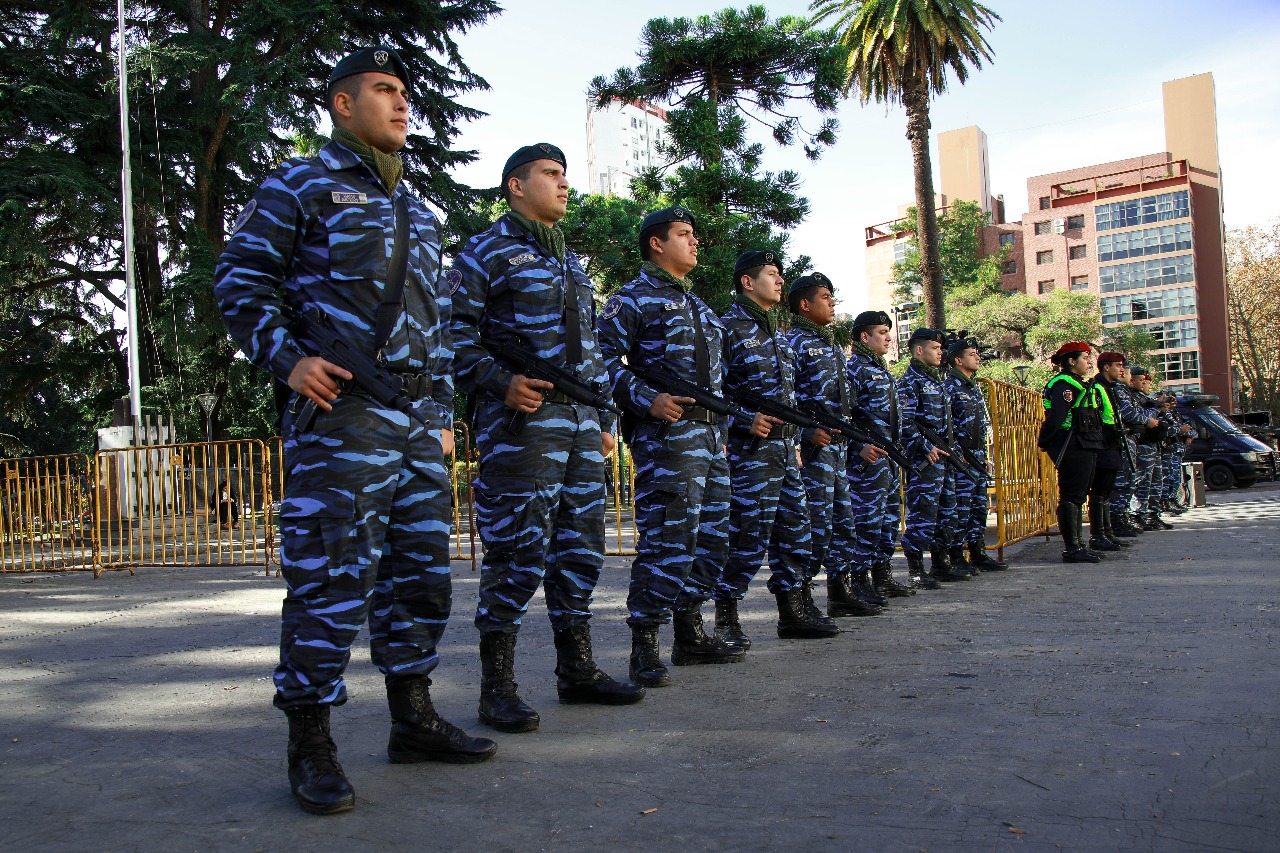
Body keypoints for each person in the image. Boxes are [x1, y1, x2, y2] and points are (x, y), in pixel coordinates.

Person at [213, 47, 495, 816]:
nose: (402, 104)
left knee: (421, 579)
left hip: (414, 425)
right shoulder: (300, 182)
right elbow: (240, 281)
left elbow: (437, 329)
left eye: (406, 92)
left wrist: (440, 414)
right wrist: (289, 360)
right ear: (343, 104)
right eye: (384, 91)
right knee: (332, 577)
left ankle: (413, 719)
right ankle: (311, 742)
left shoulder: (420, 208)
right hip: (340, 419)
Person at [449, 143, 644, 734]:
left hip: (582, 427)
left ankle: (576, 669)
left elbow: (594, 354)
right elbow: (450, 335)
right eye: (550, 175)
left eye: (565, 175)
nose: (564, 185)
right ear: (515, 185)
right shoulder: (483, 252)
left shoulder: (571, 262)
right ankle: (497, 686)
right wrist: (500, 382)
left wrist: (606, 419)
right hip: (522, 428)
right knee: (516, 553)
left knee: (581, 550)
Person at [595, 206, 743, 688]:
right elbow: (598, 363)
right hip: (668, 440)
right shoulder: (632, 300)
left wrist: (721, 438)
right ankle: (644, 644)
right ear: (656, 244)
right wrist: (645, 398)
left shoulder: (701, 308)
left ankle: (690, 633)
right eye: (684, 234)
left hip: (709, 440)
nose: (695, 241)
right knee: (668, 540)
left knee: (714, 540)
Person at [715, 250, 837, 644]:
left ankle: (793, 610)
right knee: (747, 538)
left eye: (781, 274)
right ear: (747, 282)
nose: (781, 280)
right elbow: (711, 394)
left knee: (796, 536)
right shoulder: (727, 328)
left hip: (785, 454)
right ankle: (726, 615)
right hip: (750, 455)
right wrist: (741, 421)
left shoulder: (778, 334)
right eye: (772, 274)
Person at [785, 274, 883, 618]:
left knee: (844, 523)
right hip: (814, 452)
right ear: (804, 304)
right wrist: (804, 434)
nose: (832, 303)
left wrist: (855, 444)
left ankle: (840, 591)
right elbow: (783, 400)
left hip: (838, 449)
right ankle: (801, 598)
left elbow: (848, 406)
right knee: (815, 525)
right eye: (825, 297)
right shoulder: (793, 343)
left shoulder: (830, 346)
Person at [845, 312, 917, 596]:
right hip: (867, 462)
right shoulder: (855, 370)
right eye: (882, 332)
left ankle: (882, 575)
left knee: (887, 520)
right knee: (867, 522)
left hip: (887, 457)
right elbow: (844, 418)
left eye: (888, 331)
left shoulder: (881, 370)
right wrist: (857, 448)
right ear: (865, 336)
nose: (889, 337)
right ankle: (860, 581)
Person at [899, 327, 971, 584]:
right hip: (925, 459)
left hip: (945, 457)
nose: (941, 353)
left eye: (941, 348)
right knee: (923, 512)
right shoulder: (910, 382)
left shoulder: (936, 381)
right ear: (920, 350)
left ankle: (941, 563)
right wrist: (922, 446)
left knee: (947, 512)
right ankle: (916, 569)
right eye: (935, 348)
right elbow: (904, 422)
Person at [943, 336, 1008, 571]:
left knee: (979, 507)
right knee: (962, 508)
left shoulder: (973, 386)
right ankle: (956, 556)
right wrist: (959, 454)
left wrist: (984, 457)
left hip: (977, 456)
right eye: (972, 354)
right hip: (962, 458)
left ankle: (977, 551)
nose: (978, 357)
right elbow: (947, 427)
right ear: (958, 359)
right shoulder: (950, 386)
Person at [1038, 342, 1106, 563]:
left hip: (1086, 442)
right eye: (1085, 358)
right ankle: (1072, 548)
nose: (1089, 362)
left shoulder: (1080, 383)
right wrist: (1046, 442)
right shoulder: (1063, 384)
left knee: (1079, 496)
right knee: (1071, 495)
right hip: (1071, 443)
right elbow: (1057, 417)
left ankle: (1079, 544)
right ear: (1071, 361)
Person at [1105, 361, 1157, 537]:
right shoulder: (1118, 390)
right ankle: (1118, 520)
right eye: (1122, 370)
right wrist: (1148, 418)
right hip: (1123, 440)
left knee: (1130, 481)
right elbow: (1128, 414)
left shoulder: (1126, 392)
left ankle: (1124, 517)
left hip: (1131, 441)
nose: (1122, 373)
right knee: (1124, 483)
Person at [1083, 352, 1125, 554]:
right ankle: (1098, 535)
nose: (1121, 369)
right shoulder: (1097, 388)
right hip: (1103, 446)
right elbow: (1096, 418)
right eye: (1118, 365)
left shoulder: (1110, 388)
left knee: (1106, 492)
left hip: (1111, 445)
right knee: (1099, 492)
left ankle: (1107, 533)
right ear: (1106, 367)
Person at [1128, 367, 1173, 531]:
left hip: (1154, 445)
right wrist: (1157, 408)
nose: (1144, 384)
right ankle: (1139, 515)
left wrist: (1161, 408)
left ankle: (1152, 515)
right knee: (1143, 482)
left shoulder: (1143, 397)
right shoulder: (1131, 396)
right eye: (1142, 380)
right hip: (1142, 444)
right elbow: (1143, 416)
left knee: (1155, 482)